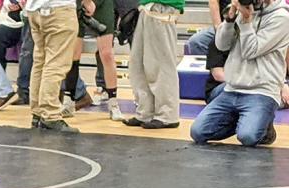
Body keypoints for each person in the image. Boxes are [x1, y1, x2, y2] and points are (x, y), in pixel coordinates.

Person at [190, 0, 289, 145]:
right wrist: (229, 21)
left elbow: (251, 50)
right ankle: (252, 120)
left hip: (262, 90)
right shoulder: (242, 10)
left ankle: (264, 126)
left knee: (248, 137)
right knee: (198, 132)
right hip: (232, 88)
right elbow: (221, 46)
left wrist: (246, 20)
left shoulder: (281, 17)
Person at [122, 0, 184, 129]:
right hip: (147, 8)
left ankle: (167, 115)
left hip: (163, 7)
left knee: (162, 65)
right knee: (138, 64)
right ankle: (145, 112)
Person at [25, 0, 80, 130]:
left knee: (40, 62)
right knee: (56, 64)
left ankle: (37, 112)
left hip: (34, 10)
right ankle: (50, 114)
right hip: (59, 9)